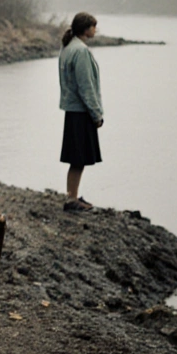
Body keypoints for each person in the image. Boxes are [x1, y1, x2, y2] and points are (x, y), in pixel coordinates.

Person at [59, 11, 103, 212]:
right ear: (86, 29)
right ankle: (71, 199)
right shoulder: (81, 51)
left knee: (77, 157)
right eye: (94, 26)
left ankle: (73, 196)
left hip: (72, 110)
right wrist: (96, 114)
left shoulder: (67, 48)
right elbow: (86, 87)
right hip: (81, 111)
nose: (96, 29)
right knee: (78, 158)